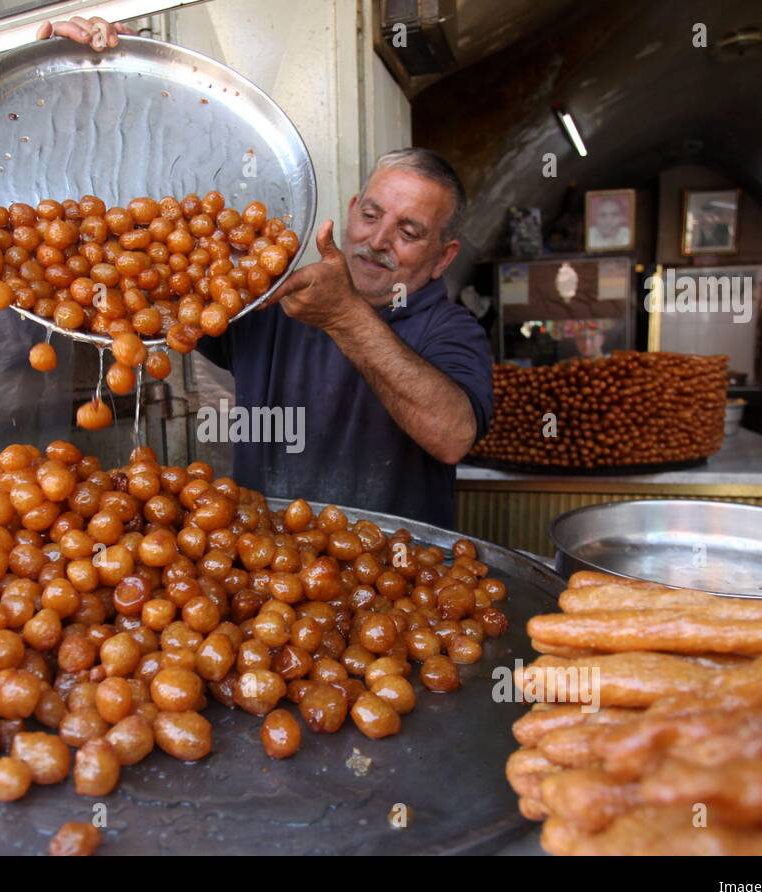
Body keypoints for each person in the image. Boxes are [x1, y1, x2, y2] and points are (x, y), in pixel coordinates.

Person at [38, 17, 493, 529]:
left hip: (392, 581)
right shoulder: (273, 301)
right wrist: (90, 82)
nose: (378, 239)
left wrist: (345, 318)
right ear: (350, 209)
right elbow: (141, 282)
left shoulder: (451, 331)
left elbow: (453, 436)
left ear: (445, 255)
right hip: (269, 573)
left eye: (408, 231)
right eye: (370, 214)